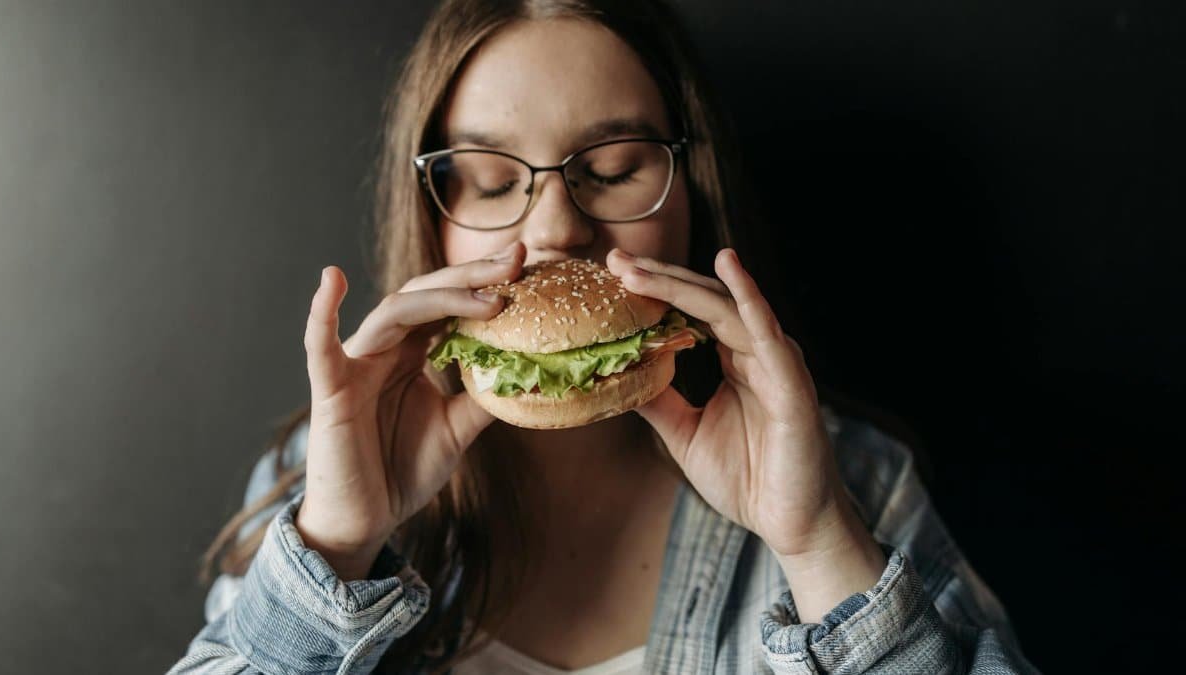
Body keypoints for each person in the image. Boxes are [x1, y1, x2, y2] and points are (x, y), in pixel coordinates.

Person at [169, 1, 1038, 673]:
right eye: (488, 179)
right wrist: (337, 543)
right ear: (433, 221)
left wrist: (819, 547)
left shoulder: (857, 486)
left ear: (691, 191)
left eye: (615, 168)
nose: (554, 229)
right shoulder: (315, 483)